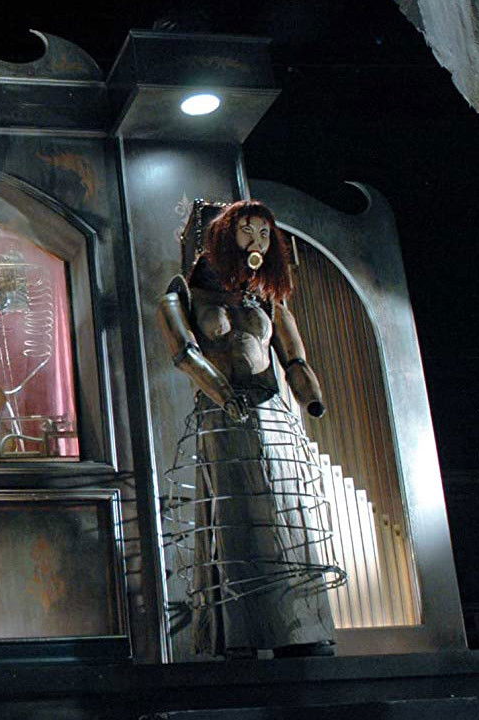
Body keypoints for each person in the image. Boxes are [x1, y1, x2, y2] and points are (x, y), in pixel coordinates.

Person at [157, 199, 340, 659]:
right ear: (221, 235)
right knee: (236, 514)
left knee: (286, 513)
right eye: (246, 231)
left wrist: (310, 397)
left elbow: (293, 356)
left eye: (263, 234)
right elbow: (185, 352)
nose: (255, 241)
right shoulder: (184, 293)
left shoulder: (266, 299)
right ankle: (240, 633)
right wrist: (222, 393)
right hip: (223, 413)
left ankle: (300, 629)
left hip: (271, 413)